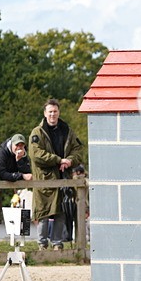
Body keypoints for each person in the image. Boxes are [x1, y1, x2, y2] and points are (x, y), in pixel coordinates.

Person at [30, 98, 85, 249]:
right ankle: (42, 244)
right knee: (43, 213)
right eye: (50, 112)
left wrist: (69, 161)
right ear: (45, 113)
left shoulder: (67, 130)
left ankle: (57, 244)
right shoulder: (37, 132)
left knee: (61, 212)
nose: (52, 115)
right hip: (44, 180)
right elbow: (36, 154)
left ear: (59, 112)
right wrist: (58, 160)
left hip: (64, 178)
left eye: (55, 111)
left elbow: (78, 150)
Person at [0, 134, 33, 250]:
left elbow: (28, 173)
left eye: (22, 146)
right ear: (11, 144)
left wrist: (19, 161)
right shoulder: (0, 154)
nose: (19, 148)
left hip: (3, 189)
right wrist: (20, 175)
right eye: (17, 145)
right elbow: (2, 173)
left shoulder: (23, 155)